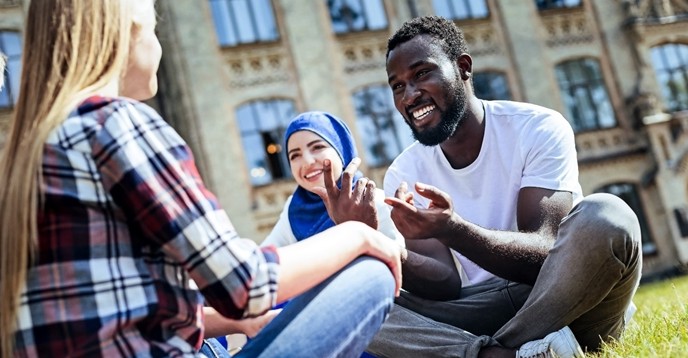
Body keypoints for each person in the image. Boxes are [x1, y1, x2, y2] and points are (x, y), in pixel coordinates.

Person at [0, 1, 402, 357]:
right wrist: (357, 235)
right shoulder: (115, 124)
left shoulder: (25, 156)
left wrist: (238, 325)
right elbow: (245, 285)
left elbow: (132, 306)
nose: (158, 45)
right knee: (370, 274)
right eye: (154, 28)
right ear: (128, 32)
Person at [365, 15, 642, 358]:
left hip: (563, 298)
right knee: (357, 307)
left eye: (422, 74)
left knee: (608, 215)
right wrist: (373, 238)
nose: (410, 95)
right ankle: (522, 353)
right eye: (397, 86)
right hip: (482, 308)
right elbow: (446, 287)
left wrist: (455, 230)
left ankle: (493, 352)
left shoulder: (538, 128)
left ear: (463, 67)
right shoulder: (404, 171)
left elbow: (545, 252)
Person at [262, 111, 405, 249]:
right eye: (294, 155)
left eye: (317, 147)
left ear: (342, 150)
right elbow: (263, 259)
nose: (307, 162)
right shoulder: (294, 210)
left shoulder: (371, 201)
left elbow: (399, 261)